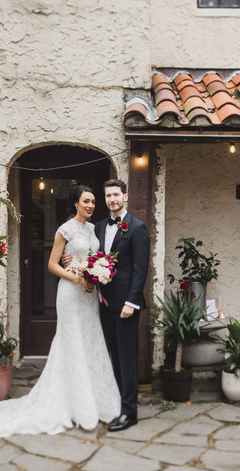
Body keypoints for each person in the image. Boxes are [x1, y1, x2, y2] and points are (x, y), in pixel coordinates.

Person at [0, 185, 121, 436]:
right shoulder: (65, 229)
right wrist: (78, 278)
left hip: (89, 295)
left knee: (90, 342)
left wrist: (98, 271)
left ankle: (95, 401)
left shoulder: (92, 229)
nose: (90, 205)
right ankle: (76, 406)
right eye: (86, 201)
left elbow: (93, 257)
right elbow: (52, 265)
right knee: (71, 342)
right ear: (75, 203)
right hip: (71, 292)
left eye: (93, 202)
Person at [94, 178, 149, 432]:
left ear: (125, 197)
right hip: (105, 303)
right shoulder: (99, 227)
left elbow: (140, 269)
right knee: (114, 357)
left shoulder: (137, 228)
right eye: (108, 196)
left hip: (126, 306)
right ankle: (118, 405)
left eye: (116, 195)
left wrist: (131, 302)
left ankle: (130, 413)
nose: (112, 199)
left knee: (127, 360)